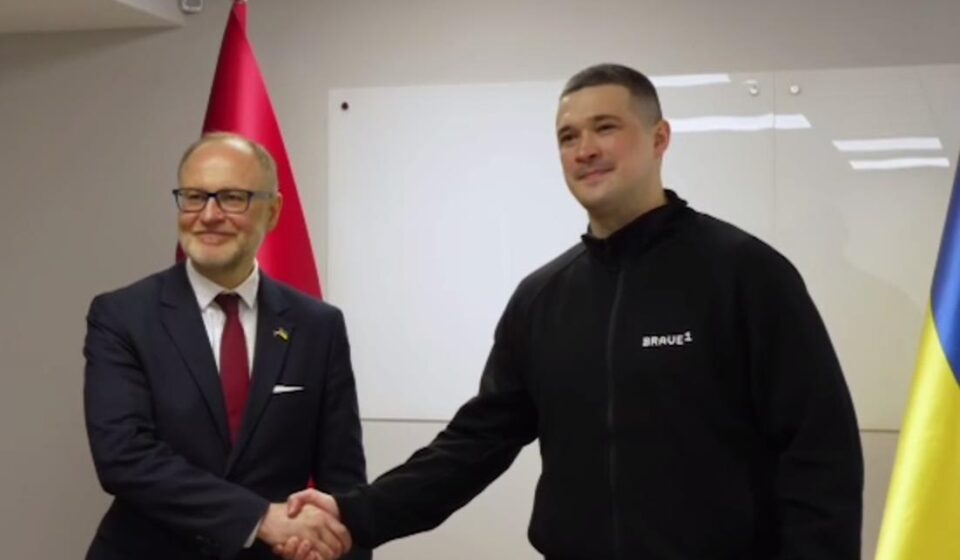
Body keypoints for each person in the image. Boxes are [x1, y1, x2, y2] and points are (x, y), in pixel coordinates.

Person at [280, 63, 864, 559]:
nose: (584, 150)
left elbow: (820, 453)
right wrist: (354, 515)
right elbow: (474, 444)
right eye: (567, 136)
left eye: (606, 127)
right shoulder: (542, 298)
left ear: (660, 138)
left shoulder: (746, 274)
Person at [83, 132, 370, 560]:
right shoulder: (123, 316)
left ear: (273, 211)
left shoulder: (318, 326)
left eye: (232, 198)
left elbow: (342, 480)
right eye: (194, 196)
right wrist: (260, 519)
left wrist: (339, 547)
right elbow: (123, 457)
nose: (209, 215)